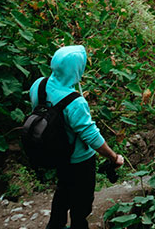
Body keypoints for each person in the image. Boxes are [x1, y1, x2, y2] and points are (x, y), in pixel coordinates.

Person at [29, 45, 124, 229]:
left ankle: (55, 225)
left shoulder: (38, 85)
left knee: (63, 188)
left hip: (56, 153)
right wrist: (113, 157)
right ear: (76, 70)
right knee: (82, 201)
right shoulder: (75, 102)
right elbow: (92, 137)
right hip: (79, 160)